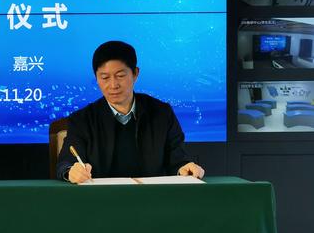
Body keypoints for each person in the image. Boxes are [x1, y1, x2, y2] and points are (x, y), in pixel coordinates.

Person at [57, 40, 205, 184]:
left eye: (120, 76)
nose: (113, 85)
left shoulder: (162, 113)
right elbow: (65, 163)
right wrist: (71, 171)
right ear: (96, 78)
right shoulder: (82, 120)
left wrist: (185, 168)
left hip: (152, 197)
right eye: (105, 77)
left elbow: (178, 160)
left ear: (135, 73)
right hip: (101, 198)